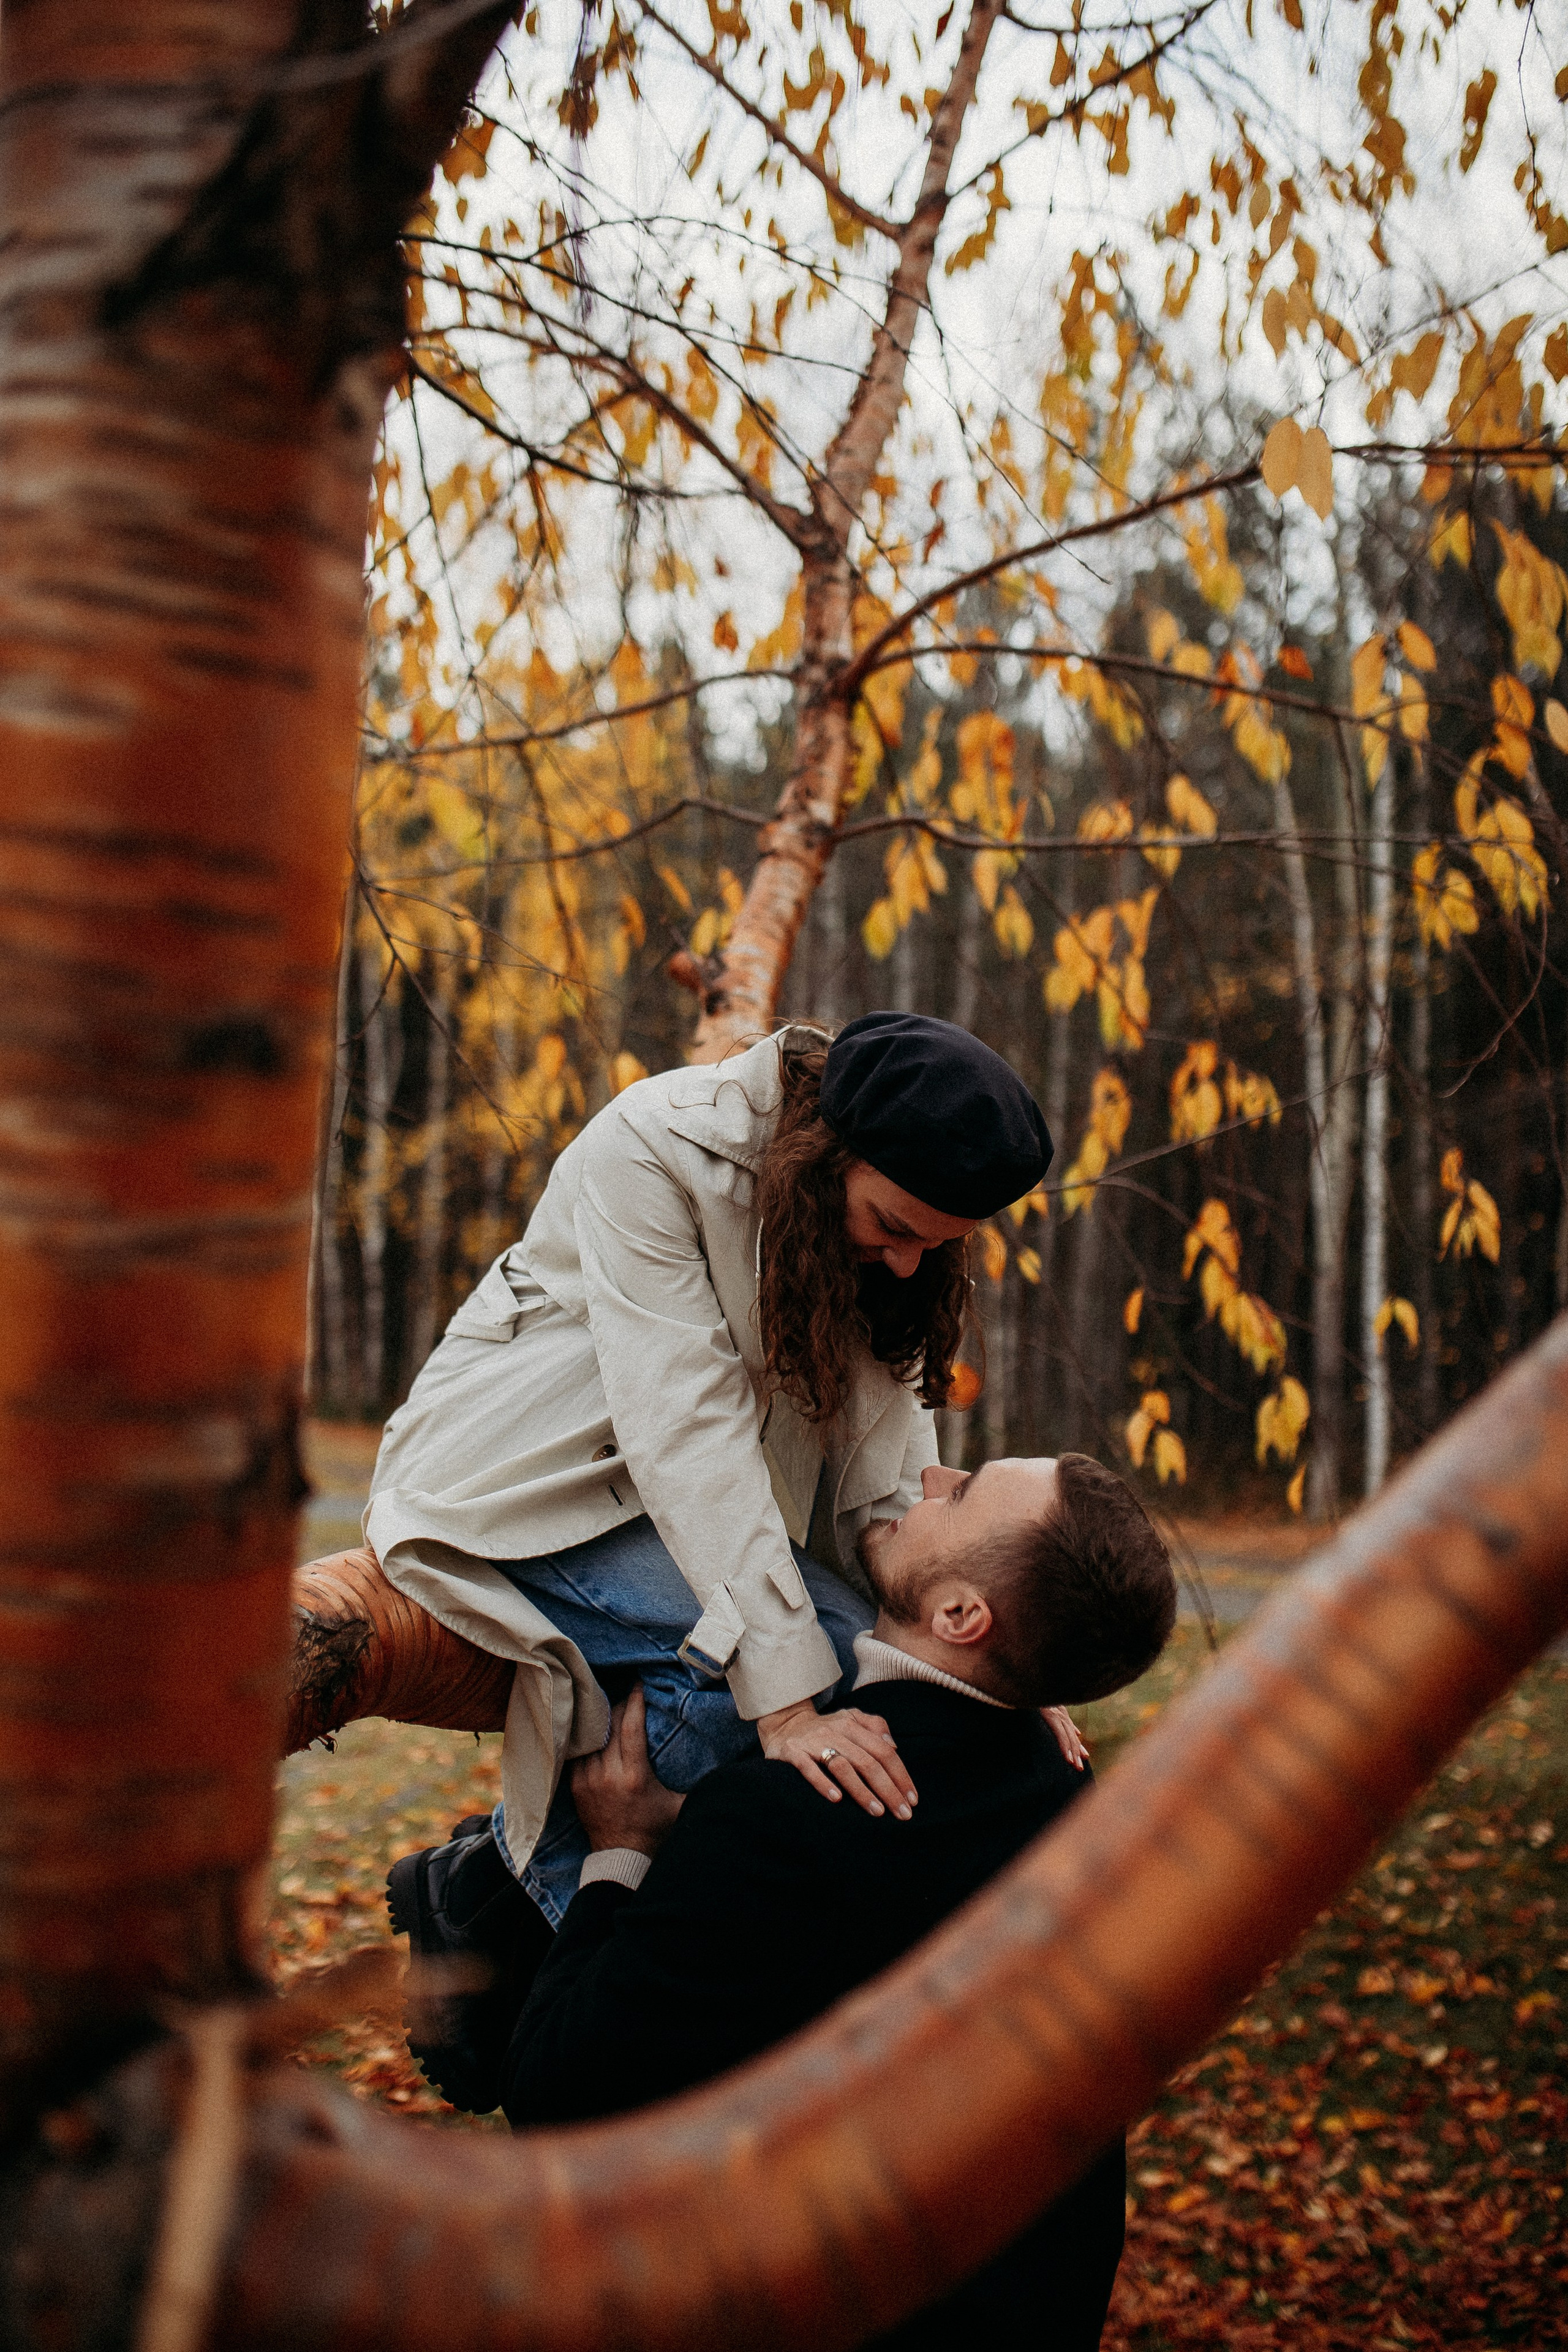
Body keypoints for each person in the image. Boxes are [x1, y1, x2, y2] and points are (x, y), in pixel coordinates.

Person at [374, 1014, 1056, 2101]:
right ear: (829, 1148)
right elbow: (682, 1427)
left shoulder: (880, 1226)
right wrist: (788, 1706)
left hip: (673, 1501)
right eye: (893, 1225)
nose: (908, 1258)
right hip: (524, 1484)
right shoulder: (653, 1145)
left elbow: (888, 1457)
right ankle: (522, 1934)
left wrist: (997, 1666)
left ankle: (523, 1910)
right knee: (812, 1678)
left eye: (938, 1243)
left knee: (867, 1687)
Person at [500, 1449, 1177, 2351]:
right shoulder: (1067, 1794)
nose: (933, 1474)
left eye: (964, 1494)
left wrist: (623, 1852)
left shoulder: (785, 1820)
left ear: (963, 1616)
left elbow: (555, 2094)